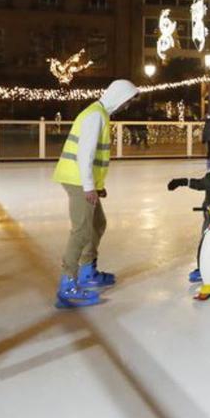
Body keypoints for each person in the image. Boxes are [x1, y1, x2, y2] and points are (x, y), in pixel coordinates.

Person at [52, 79, 139, 308]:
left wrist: (97, 185)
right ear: (119, 97)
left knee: (97, 223)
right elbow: (85, 154)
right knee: (81, 231)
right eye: (127, 102)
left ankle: (87, 271)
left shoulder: (101, 114)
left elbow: (95, 158)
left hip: (83, 180)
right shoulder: (95, 115)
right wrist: (89, 186)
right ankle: (68, 285)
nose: (126, 106)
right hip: (77, 180)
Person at [168, 150, 210, 283]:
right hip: (209, 216)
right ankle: (201, 267)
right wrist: (180, 182)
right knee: (204, 240)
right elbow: (197, 184)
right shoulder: (209, 179)